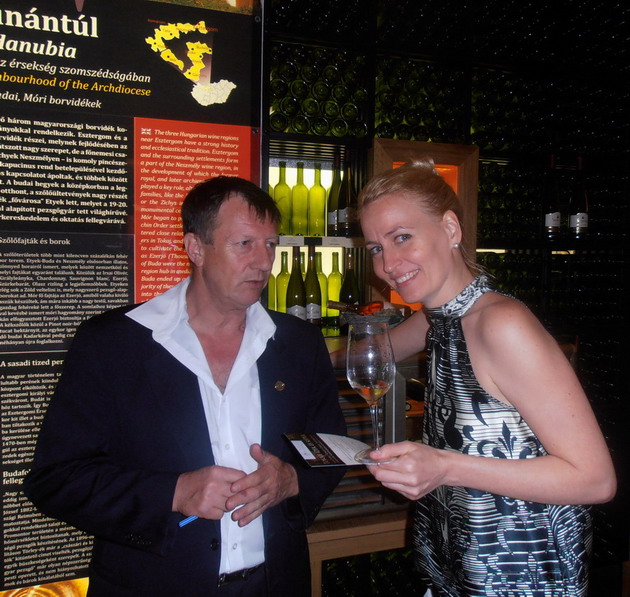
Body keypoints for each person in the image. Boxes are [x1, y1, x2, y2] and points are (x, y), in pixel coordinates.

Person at [23, 176, 346, 597]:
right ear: (196, 248)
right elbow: (56, 479)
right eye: (244, 244)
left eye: (270, 244)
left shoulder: (298, 343)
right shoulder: (112, 344)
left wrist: (292, 480)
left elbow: (330, 447)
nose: (263, 262)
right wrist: (174, 493)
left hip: (276, 583)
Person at [356, 158, 616, 597]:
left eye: (402, 237)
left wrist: (443, 466)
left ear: (450, 229)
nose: (388, 264)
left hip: (520, 575)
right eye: (376, 249)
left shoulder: (501, 324)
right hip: (457, 567)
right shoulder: (438, 317)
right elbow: (374, 351)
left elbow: (596, 480)